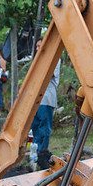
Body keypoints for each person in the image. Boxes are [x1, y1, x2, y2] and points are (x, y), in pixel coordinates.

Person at [30, 40, 60, 170]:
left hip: (47, 98)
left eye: (39, 45)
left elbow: (46, 74)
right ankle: (35, 153)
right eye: (36, 46)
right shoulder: (38, 59)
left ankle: (42, 153)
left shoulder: (54, 59)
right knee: (35, 126)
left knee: (44, 126)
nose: (37, 48)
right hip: (36, 98)